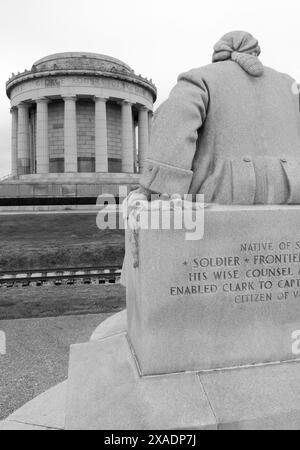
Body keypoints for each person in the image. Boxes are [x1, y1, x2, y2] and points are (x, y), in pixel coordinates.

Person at [130, 30, 300, 207]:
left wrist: (156, 186)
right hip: (293, 190)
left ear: (219, 53)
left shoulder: (202, 77)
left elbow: (175, 121)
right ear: (255, 52)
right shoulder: (290, 86)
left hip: (223, 190)